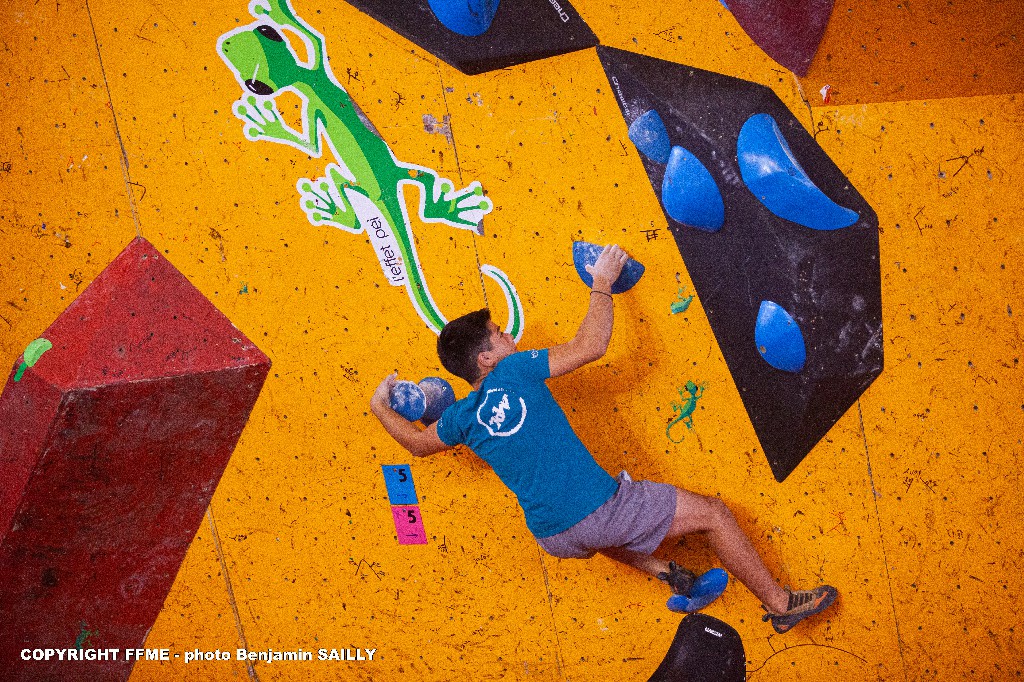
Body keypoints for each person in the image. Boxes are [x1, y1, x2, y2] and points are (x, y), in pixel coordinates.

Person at [370, 244, 837, 633]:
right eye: (498, 334)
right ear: (487, 359)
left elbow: (417, 445)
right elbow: (591, 346)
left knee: (599, 529)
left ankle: (671, 575)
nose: (509, 334)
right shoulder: (513, 370)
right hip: (595, 511)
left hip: (552, 535)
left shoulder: (461, 417)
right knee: (713, 515)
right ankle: (780, 604)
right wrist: (602, 283)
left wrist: (380, 409)